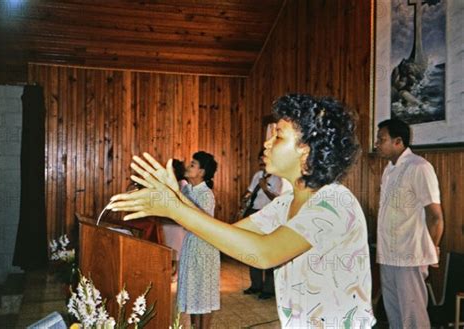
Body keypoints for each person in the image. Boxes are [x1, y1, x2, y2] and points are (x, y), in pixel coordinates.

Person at [109, 94, 376, 328]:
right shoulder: (284, 203)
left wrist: (175, 208)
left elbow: (263, 253)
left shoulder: (334, 202)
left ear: (307, 151)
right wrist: (176, 198)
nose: (267, 144)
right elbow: (227, 236)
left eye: (278, 136)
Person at [375, 119, 444, 329]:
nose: (377, 144)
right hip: (388, 255)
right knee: (395, 315)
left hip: (411, 256)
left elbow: (436, 216)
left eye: (381, 139)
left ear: (398, 141)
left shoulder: (419, 167)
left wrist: (430, 250)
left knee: (413, 319)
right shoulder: (389, 169)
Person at [176, 151, 220, 329]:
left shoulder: (206, 194)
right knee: (192, 294)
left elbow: (198, 221)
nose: (188, 166)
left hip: (204, 248)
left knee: (203, 295)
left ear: (201, 172)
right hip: (190, 244)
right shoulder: (187, 189)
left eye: (193, 164)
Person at [241, 150, 282, 300]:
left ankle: (269, 288)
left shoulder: (279, 178)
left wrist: (265, 188)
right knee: (253, 250)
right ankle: (256, 285)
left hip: (271, 216)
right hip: (254, 214)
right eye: (260, 158)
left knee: (268, 251)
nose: (261, 161)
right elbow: (250, 191)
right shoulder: (257, 175)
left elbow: (278, 200)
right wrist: (245, 198)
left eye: (264, 158)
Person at [161, 159, 188, 275]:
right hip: (171, 219)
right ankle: (170, 268)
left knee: (174, 236)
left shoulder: (183, 184)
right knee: (162, 230)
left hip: (180, 221)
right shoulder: (169, 183)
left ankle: (177, 270)